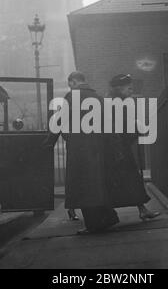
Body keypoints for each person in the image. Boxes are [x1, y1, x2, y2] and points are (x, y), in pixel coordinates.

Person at [45, 71, 119, 234]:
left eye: (69, 84)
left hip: (79, 149)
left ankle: (92, 225)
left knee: (83, 186)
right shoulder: (98, 98)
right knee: (97, 185)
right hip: (97, 149)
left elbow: (59, 121)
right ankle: (108, 218)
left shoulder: (71, 97)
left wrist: (49, 142)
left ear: (73, 82)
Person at [105, 74, 160, 221]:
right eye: (129, 88)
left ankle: (142, 210)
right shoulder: (114, 103)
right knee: (120, 180)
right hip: (116, 149)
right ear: (119, 88)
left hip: (120, 148)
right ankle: (138, 210)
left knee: (131, 179)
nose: (131, 91)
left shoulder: (117, 102)